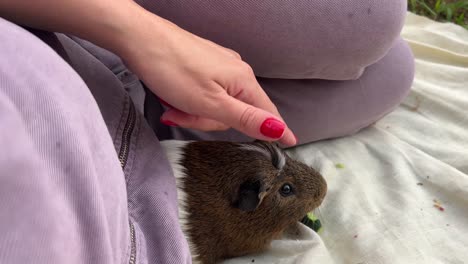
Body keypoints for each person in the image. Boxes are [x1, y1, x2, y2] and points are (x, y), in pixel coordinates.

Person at [0, 0, 414, 263]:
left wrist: (139, 32)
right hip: (153, 130)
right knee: (391, 72)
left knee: (371, 20)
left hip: (76, 48)